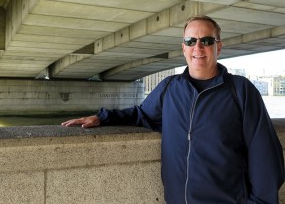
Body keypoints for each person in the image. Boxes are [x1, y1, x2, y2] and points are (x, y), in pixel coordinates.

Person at [62, 15, 284, 204]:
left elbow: (265, 155)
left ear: (218, 46)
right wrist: (103, 118)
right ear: (183, 48)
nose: (198, 47)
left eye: (206, 40)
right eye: (191, 41)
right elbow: (141, 114)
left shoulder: (240, 90)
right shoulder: (169, 88)